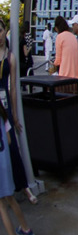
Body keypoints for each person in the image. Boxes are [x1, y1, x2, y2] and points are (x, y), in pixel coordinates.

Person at [0, 20, 37, 205]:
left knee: (12, 146)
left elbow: (13, 88)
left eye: (0, 31)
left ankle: (23, 186)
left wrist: (14, 113)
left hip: (4, 105)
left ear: (5, 31)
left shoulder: (10, 57)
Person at [1, 101, 35, 235]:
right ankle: (26, 229)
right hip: (5, 163)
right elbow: (8, 140)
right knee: (11, 199)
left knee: (1, 207)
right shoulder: (1, 110)